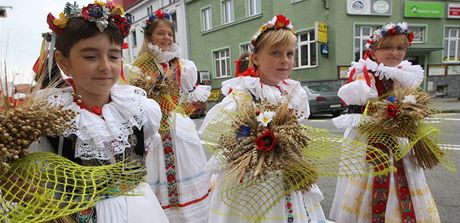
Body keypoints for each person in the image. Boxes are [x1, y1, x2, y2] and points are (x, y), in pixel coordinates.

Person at [30, 1, 169, 222]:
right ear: (63, 61)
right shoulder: (50, 117)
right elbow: (42, 184)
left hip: (141, 211)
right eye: (90, 57)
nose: (105, 66)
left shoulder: (138, 109)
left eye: (113, 56)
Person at [200, 15, 326, 223]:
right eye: (276, 53)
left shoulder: (293, 92)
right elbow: (216, 134)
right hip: (252, 177)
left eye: (290, 53)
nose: (285, 59)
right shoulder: (243, 93)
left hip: (287, 169)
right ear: (256, 58)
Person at [330, 22, 440, 222]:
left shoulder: (403, 73)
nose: (394, 53)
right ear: (373, 50)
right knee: (373, 179)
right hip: (370, 137)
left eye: (400, 48)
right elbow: (358, 108)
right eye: (387, 47)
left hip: (399, 137)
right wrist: (385, 113)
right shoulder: (364, 73)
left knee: (404, 176)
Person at [130, 9, 211, 223]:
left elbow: (185, 95)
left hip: (176, 122)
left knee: (187, 161)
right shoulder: (141, 65)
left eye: (169, 34)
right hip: (153, 126)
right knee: (156, 169)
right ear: (149, 37)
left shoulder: (180, 64)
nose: (166, 38)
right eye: (160, 33)